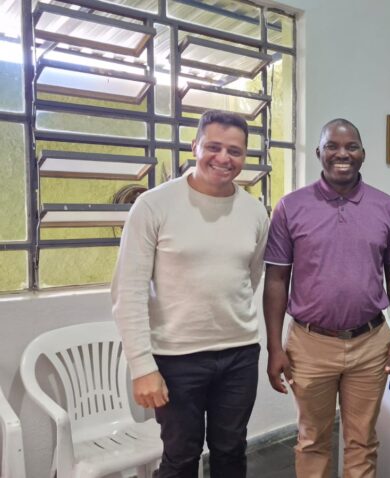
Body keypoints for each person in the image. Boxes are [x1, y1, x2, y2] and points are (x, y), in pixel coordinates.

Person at [111, 110, 269, 477]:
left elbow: (250, 276)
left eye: (234, 151)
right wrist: (142, 367)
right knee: (181, 457)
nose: (223, 158)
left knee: (232, 450)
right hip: (176, 357)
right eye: (213, 147)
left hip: (240, 355)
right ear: (194, 146)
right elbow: (128, 291)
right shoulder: (154, 205)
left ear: (244, 156)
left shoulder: (255, 211)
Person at [263, 118, 390, 478]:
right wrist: (274, 346)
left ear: (363, 153)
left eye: (351, 146)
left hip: (370, 343)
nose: (342, 153)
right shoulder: (290, 207)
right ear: (319, 152)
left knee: (363, 440)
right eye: (332, 146)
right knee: (312, 440)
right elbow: (277, 279)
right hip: (309, 344)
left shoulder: (387, 207)